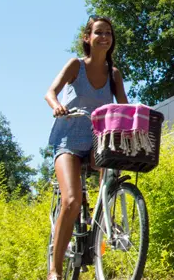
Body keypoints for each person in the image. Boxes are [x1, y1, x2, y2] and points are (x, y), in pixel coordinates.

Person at [44, 16, 128, 280]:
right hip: (68, 139)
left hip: (96, 142)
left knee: (110, 166)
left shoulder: (114, 74)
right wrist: (57, 105)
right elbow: (50, 92)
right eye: (99, 32)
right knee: (71, 201)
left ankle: (103, 220)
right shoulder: (75, 66)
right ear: (87, 38)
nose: (104, 37)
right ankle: (55, 270)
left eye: (108, 33)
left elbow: (123, 108)